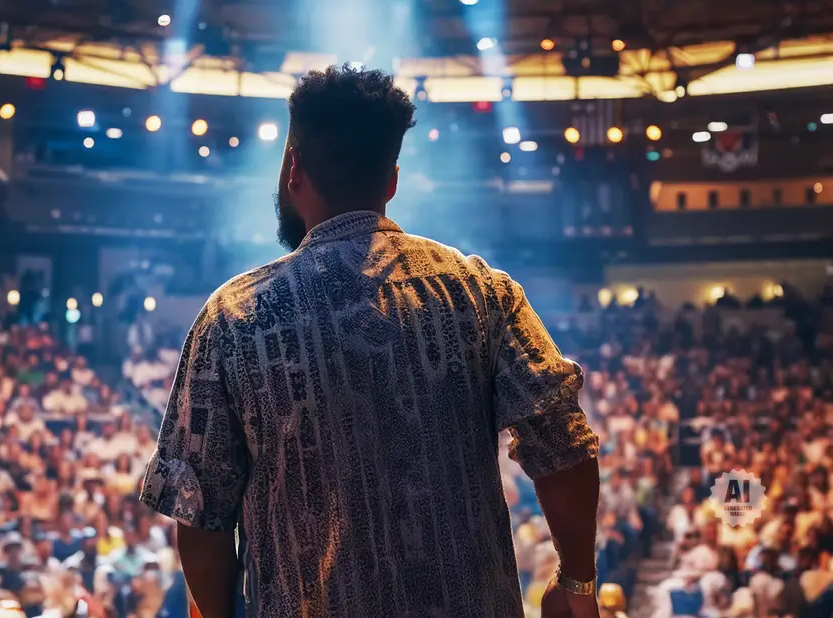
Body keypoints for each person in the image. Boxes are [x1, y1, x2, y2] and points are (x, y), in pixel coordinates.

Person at [141, 64, 601, 618]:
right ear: (391, 182)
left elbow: (200, 510)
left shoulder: (234, 317)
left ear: (293, 169)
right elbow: (564, 440)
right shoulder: (479, 291)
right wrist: (575, 582)